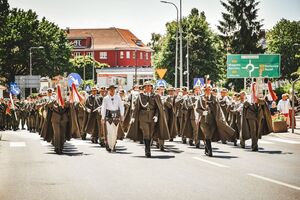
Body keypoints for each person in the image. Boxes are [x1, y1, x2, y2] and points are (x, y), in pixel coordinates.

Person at [129, 81, 169, 158]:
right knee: (146, 133)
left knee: (150, 134)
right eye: (146, 86)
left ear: (151, 88)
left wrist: (156, 116)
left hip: (152, 117)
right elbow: (137, 108)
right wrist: (133, 117)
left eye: (149, 86)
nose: (148, 88)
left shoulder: (155, 96)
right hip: (143, 117)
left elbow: (158, 108)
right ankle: (147, 150)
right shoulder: (140, 96)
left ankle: (148, 147)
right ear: (144, 88)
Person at [196, 84, 235, 156]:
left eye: (208, 89)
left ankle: (206, 148)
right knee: (207, 134)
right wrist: (202, 112)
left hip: (213, 119)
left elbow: (218, 108)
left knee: (210, 135)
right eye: (205, 90)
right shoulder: (200, 98)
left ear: (211, 90)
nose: (207, 91)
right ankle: (210, 151)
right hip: (204, 120)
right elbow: (197, 109)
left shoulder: (214, 98)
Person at [101, 85, 125, 152]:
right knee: (109, 132)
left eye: (113, 89)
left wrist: (122, 115)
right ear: (108, 90)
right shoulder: (106, 98)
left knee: (115, 132)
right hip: (109, 116)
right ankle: (109, 145)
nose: (112, 90)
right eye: (110, 89)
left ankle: (113, 145)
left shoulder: (118, 97)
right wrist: (103, 117)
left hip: (116, 116)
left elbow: (121, 106)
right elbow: (103, 108)